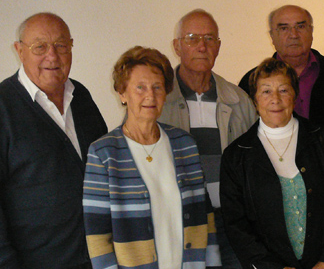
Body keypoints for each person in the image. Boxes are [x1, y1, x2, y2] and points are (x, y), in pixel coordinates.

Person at [83, 46, 221, 269]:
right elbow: (98, 237)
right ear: (122, 93)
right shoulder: (104, 153)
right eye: (140, 87)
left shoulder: (185, 144)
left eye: (157, 87)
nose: (150, 95)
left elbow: (205, 217)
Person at [220, 58, 324, 269]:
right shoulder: (236, 156)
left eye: (283, 90)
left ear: (295, 95)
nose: (275, 99)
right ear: (254, 100)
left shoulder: (322, 140)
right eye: (266, 91)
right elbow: (236, 224)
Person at [0, 12, 107, 268]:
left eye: (61, 45)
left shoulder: (81, 97)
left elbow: (104, 169)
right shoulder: (3, 106)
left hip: (96, 259)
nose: (52, 56)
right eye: (40, 47)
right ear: (19, 50)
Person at [158, 9, 257, 268]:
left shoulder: (239, 100)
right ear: (177, 46)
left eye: (210, 38)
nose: (202, 46)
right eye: (192, 38)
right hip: (182, 224)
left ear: (219, 47)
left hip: (232, 223)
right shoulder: (158, 101)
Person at [238, 5, 324, 149]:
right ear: (272, 37)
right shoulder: (252, 81)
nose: (293, 35)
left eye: (300, 27)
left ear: (311, 31)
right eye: (283, 28)